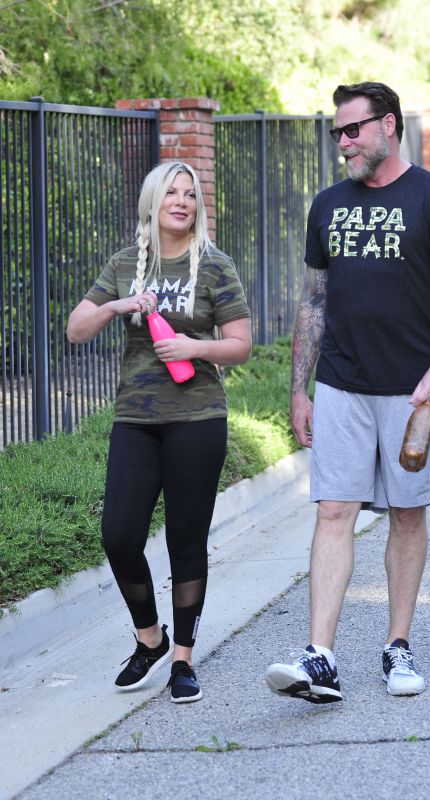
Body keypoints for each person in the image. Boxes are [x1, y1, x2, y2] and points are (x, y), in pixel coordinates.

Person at [265, 82, 430, 702]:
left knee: (407, 514)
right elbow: (314, 299)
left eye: (352, 130)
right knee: (334, 509)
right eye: (337, 133)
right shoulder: (328, 205)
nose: (343, 143)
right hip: (342, 386)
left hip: (410, 394)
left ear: (389, 126)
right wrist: (299, 389)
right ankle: (320, 657)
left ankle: (396, 646)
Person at [67, 161, 251, 703]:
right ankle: (150, 638)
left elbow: (239, 343)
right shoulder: (126, 264)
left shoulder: (215, 266)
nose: (182, 201)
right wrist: (120, 305)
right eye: (171, 192)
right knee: (119, 534)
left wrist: (195, 348)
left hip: (197, 418)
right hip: (136, 420)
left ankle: (183, 659)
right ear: (153, 200)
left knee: (185, 541)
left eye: (190, 193)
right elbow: (76, 329)